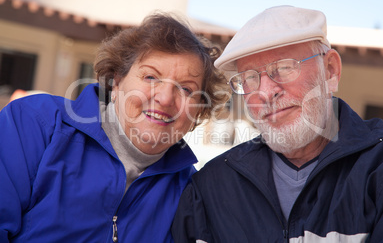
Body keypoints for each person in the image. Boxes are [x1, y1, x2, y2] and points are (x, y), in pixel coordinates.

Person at [172, 6, 383, 242]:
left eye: (283, 67)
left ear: (330, 71)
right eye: (250, 78)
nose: (266, 92)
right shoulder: (212, 186)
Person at [0, 12, 228, 242]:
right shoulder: (35, 124)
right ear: (116, 82)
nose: (166, 98)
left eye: (187, 89)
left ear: (198, 110)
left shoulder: (190, 191)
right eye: (151, 77)